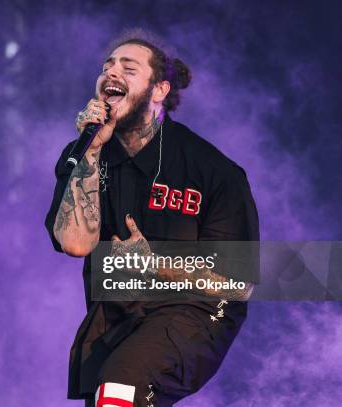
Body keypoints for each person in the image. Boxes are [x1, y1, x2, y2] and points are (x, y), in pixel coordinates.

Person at [44, 29, 260, 406]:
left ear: (158, 90)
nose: (111, 74)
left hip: (198, 310)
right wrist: (92, 149)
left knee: (120, 384)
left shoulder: (211, 169)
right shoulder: (85, 154)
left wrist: (153, 265)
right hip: (117, 311)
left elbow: (238, 286)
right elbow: (76, 243)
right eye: (107, 66)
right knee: (109, 396)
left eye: (128, 69)